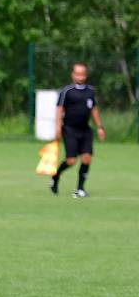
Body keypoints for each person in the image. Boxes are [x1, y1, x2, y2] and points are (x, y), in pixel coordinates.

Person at [49, 62, 105, 198]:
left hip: (85, 130)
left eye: (83, 74)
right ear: (73, 75)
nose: (81, 76)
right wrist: (57, 127)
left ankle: (80, 189)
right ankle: (56, 176)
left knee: (86, 158)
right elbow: (59, 109)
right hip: (69, 129)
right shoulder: (67, 91)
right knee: (71, 160)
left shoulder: (90, 91)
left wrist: (100, 127)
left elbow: (94, 109)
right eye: (78, 74)